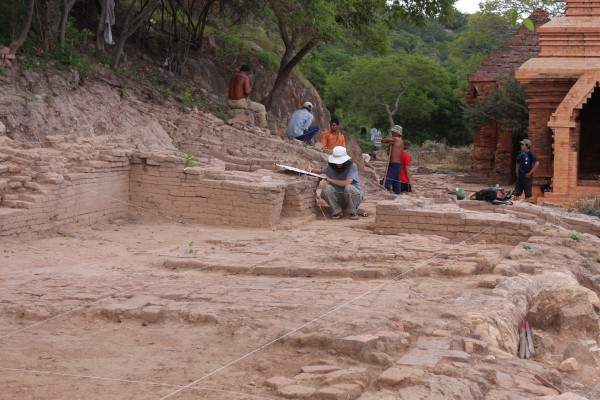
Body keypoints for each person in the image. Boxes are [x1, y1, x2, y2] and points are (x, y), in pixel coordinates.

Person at [311, 146, 363, 220]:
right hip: (340, 198)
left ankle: (353, 212)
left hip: (354, 198)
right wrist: (312, 170)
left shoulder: (352, 166)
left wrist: (329, 179)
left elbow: (347, 183)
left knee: (349, 187)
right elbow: (321, 171)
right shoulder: (331, 167)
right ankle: (337, 211)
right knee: (326, 188)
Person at [382, 125, 404, 194]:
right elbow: (388, 154)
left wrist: (380, 139)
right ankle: (398, 194)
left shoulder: (397, 139)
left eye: (393, 132)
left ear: (397, 133)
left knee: (387, 181)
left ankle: (385, 194)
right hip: (394, 165)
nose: (392, 133)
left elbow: (384, 140)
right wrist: (389, 145)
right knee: (396, 182)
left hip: (395, 165)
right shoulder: (394, 142)